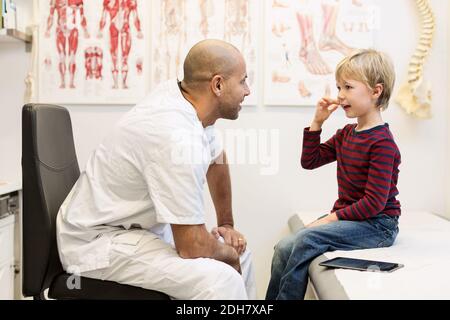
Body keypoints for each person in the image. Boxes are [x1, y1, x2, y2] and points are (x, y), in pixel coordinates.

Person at [56, 39, 256, 300]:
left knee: (241, 255)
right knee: (222, 280)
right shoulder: (173, 134)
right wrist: (226, 255)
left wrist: (226, 225)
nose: (247, 90)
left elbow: (216, 159)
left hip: (134, 232)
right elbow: (191, 245)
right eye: (243, 81)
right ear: (217, 85)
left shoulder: (186, 100)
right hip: (95, 243)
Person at [266, 49, 401, 300]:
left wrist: (329, 220)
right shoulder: (347, 134)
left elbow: (374, 204)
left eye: (348, 87)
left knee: (307, 239)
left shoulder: (382, 143)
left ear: (376, 91)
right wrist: (316, 123)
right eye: (339, 87)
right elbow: (310, 160)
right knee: (285, 246)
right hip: (353, 219)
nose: (340, 95)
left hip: (378, 225)